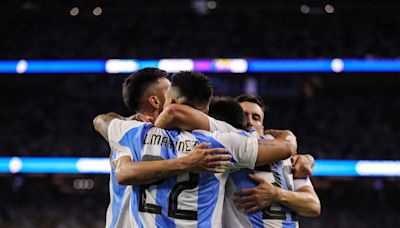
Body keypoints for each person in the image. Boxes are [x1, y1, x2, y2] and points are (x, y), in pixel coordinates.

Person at [98, 71, 297, 227]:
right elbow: (284, 147)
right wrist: (288, 138)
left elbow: (100, 121)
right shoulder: (222, 142)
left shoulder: (130, 132)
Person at [94, 68, 232, 228]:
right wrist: (186, 163)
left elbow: (101, 120)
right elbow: (124, 172)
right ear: (155, 101)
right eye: (169, 91)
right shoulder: (130, 133)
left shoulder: (181, 133)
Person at [156, 96, 320, 227]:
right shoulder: (227, 148)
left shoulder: (290, 160)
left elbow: (314, 206)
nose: (249, 121)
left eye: (256, 117)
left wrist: (277, 195)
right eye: (244, 115)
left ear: (262, 126)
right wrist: (289, 138)